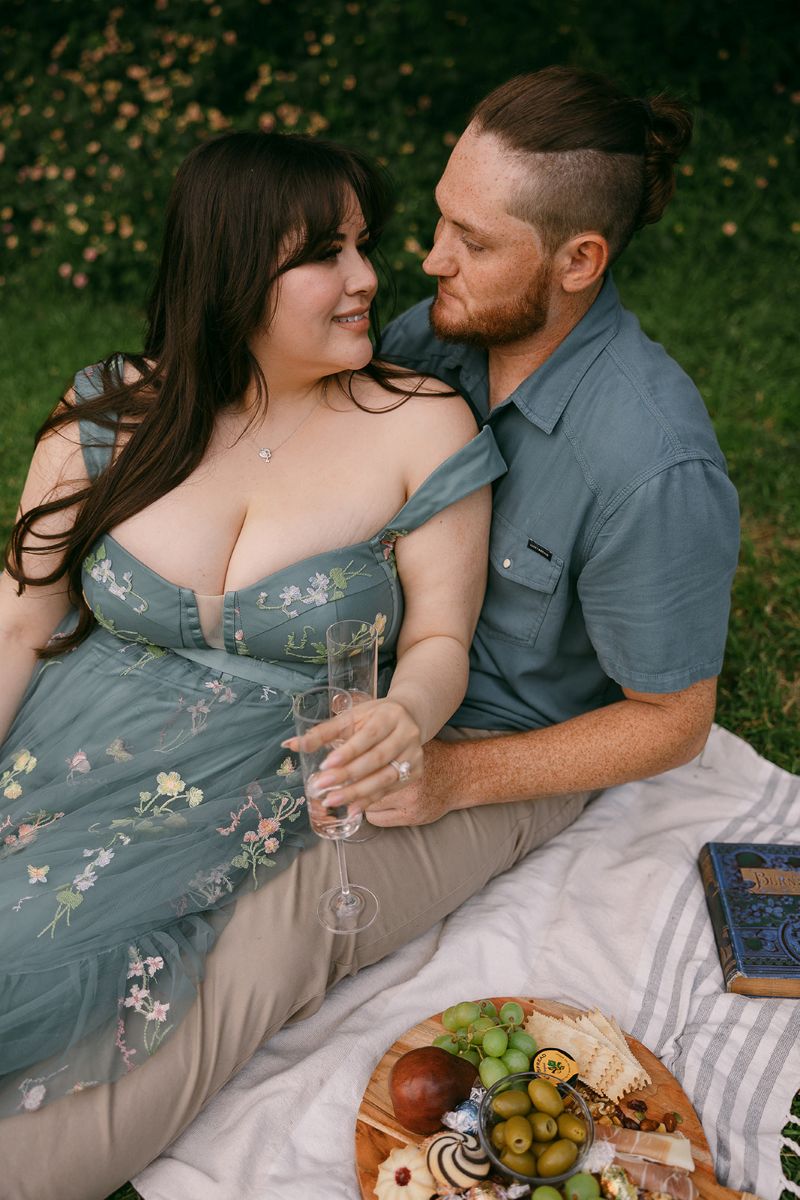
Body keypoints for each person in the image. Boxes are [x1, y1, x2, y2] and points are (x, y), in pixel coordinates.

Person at [0, 130, 516, 1197]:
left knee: (32, 966)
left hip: (233, 779)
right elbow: (17, 621)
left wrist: (406, 714)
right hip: (60, 742)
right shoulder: (107, 413)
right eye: (324, 253)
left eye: (363, 244)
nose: (368, 278)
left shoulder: (418, 423)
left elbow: (437, 643)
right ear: (234, 270)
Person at [372, 65, 740, 829]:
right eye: (442, 220)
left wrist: (450, 778)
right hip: (371, 684)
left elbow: (673, 721)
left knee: (272, 933)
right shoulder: (432, 335)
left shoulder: (654, 470)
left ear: (579, 261)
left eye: (472, 241)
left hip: (490, 748)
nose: (433, 259)